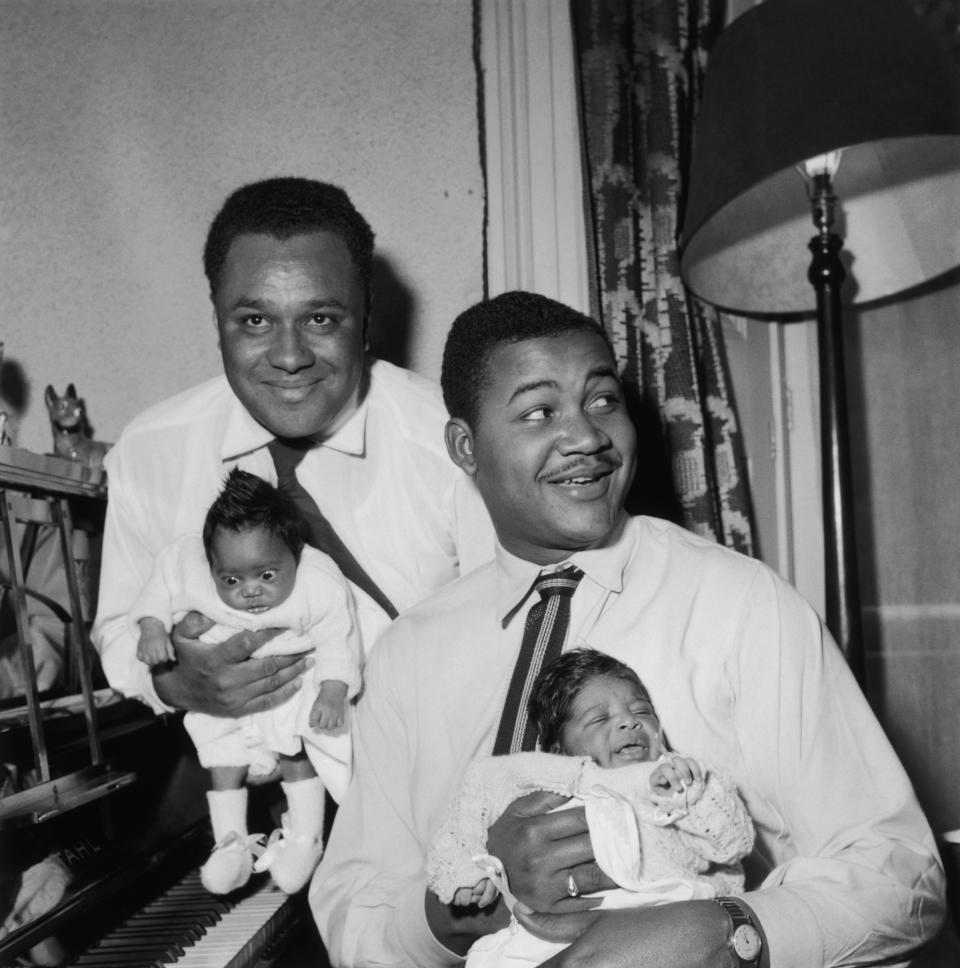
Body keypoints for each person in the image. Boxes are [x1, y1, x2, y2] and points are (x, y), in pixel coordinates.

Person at [312, 290, 945, 968]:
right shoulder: (410, 653)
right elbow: (354, 906)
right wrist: (459, 912)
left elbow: (903, 875)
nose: (587, 437)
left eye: (603, 400)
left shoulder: (742, 605)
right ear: (465, 447)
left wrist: (724, 933)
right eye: (538, 411)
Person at [91, 177, 493, 720]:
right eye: (255, 320)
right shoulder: (149, 452)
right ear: (218, 324)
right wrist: (173, 683)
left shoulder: (453, 440)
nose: (289, 356)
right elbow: (117, 626)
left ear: (367, 320)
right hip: (246, 776)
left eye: (320, 319)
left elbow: (510, 634)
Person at [426, 648, 755, 968]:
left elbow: (732, 844)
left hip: (668, 935)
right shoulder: (535, 782)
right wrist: (467, 874)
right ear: (559, 749)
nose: (629, 721)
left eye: (642, 711)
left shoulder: (672, 786)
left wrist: (689, 791)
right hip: (546, 945)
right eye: (599, 718)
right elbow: (465, 819)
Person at [131, 468, 361, 895]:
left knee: (300, 741)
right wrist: (151, 629)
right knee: (221, 753)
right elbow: (157, 589)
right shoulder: (187, 563)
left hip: (291, 676)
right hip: (218, 686)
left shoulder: (318, 580)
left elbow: (337, 639)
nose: (250, 591)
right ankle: (230, 843)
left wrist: (332, 689)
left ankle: (306, 837)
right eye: (231, 580)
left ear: (296, 554)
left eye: (267, 576)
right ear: (211, 566)